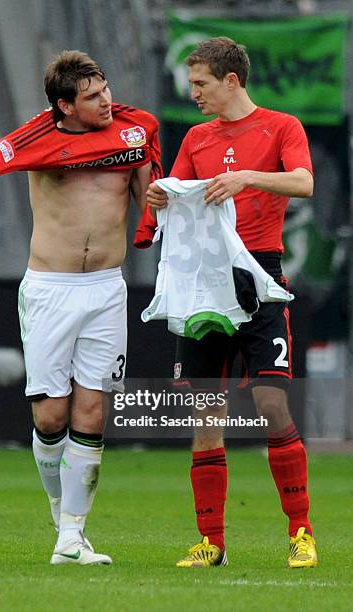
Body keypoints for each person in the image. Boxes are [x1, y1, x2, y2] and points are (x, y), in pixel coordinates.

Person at [0, 50, 161, 566]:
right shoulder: (37, 137)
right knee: (51, 415)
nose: (106, 100)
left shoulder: (135, 130)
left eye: (105, 88)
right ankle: (59, 509)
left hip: (108, 287)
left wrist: (160, 217)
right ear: (64, 106)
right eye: (91, 96)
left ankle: (73, 537)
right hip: (50, 289)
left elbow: (149, 194)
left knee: (93, 410)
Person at [143, 37, 317, 569]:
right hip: (205, 282)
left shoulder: (281, 126)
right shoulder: (196, 137)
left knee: (270, 404)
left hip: (259, 275)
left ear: (231, 81)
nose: (192, 93)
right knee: (205, 413)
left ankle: (301, 532)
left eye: (200, 84)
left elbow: (304, 183)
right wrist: (161, 200)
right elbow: (178, 196)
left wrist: (246, 177)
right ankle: (211, 544)